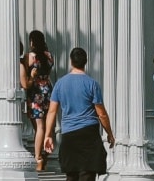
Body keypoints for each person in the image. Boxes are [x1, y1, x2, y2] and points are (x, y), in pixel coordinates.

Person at [43, 47, 115, 181]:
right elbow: (101, 114)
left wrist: (48, 135)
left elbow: (52, 111)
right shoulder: (92, 84)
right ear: (85, 62)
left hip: (69, 134)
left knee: (71, 175)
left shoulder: (60, 84)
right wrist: (109, 133)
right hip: (89, 134)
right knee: (87, 174)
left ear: (71, 62)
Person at [21, 30, 55, 171]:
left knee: (39, 127)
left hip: (35, 92)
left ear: (32, 42)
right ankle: (43, 155)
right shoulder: (49, 56)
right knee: (46, 126)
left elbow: (25, 75)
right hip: (47, 90)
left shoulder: (29, 57)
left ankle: (38, 158)